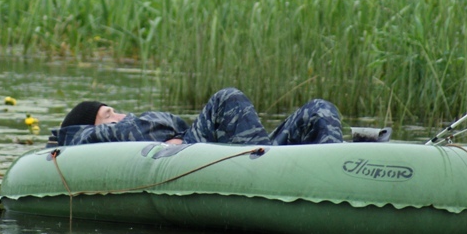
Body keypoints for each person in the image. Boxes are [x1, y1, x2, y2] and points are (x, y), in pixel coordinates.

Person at [52, 87, 344, 147]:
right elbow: (70, 135)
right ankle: (265, 160)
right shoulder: (85, 137)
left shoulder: (135, 124)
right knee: (226, 98)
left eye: (114, 109)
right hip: (189, 153)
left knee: (318, 108)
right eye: (107, 115)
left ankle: (332, 166)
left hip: (196, 145)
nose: (119, 114)